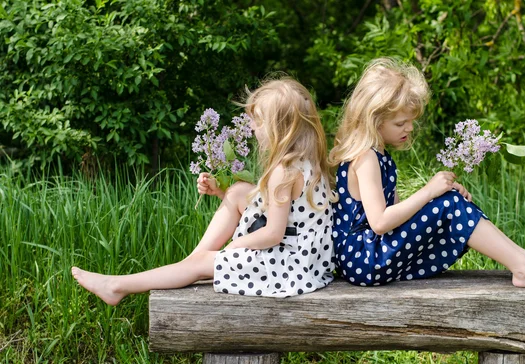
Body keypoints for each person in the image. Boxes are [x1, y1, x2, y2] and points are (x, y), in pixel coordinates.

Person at [72, 77, 336, 303]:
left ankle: (118, 286)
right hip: (308, 260)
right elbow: (281, 212)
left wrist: (236, 245)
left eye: (258, 121)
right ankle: (192, 263)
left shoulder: (283, 172)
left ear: (281, 128)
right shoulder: (307, 160)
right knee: (236, 191)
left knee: (202, 264)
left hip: (289, 268)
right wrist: (222, 193)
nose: (253, 128)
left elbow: (273, 233)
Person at [329, 57, 525, 289]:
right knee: (449, 204)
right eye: (400, 123)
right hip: (362, 259)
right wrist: (430, 192)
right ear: (374, 120)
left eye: (411, 120)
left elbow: (397, 218)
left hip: (373, 255)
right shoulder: (366, 157)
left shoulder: (382, 156)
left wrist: (437, 197)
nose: (409, 127)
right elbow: (381, 222)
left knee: (450, 202)